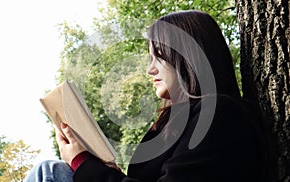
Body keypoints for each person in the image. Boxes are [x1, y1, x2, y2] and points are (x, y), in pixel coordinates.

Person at [25, 10, 265, 182]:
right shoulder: (171, 124)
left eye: (158, 57)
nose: (150, 70)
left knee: (50, 173)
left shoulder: (219, 115)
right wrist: (108, 169)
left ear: (188, 57)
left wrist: (82, 163)